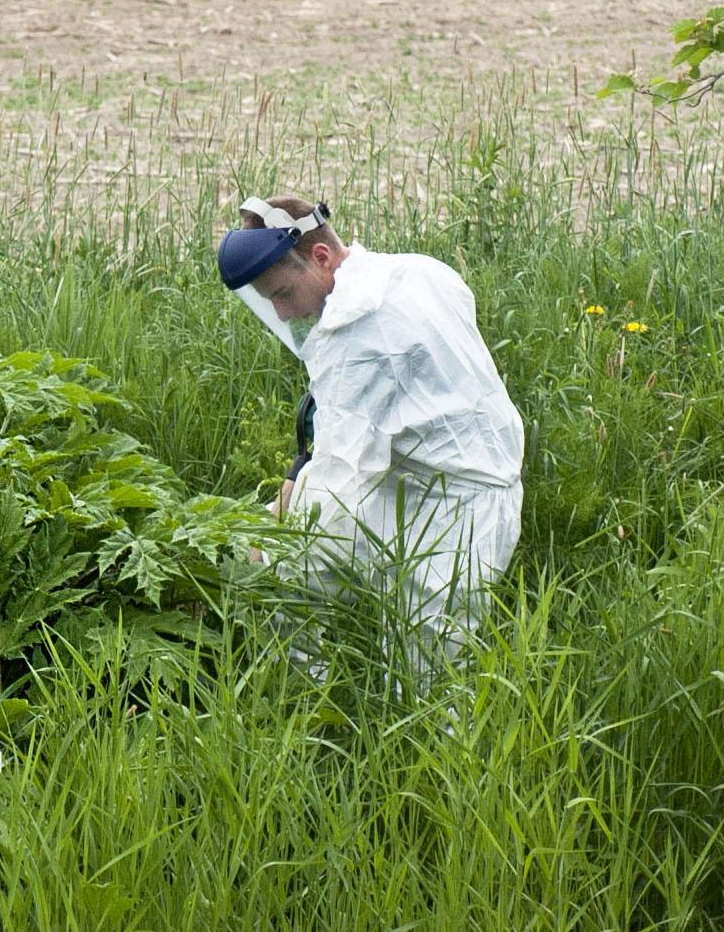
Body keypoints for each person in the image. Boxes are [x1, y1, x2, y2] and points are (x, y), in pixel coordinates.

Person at [217, 192, 525, 649]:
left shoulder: (357, 336)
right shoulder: (419, 270)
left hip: (456, 516)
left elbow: (338, 485)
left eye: (283, 293)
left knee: (426, 679)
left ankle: (305, 696)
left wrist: (270, 546)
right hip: (420, 482)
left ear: (320, 257)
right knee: (289, 566)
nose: (282, 312)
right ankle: (309, 702)